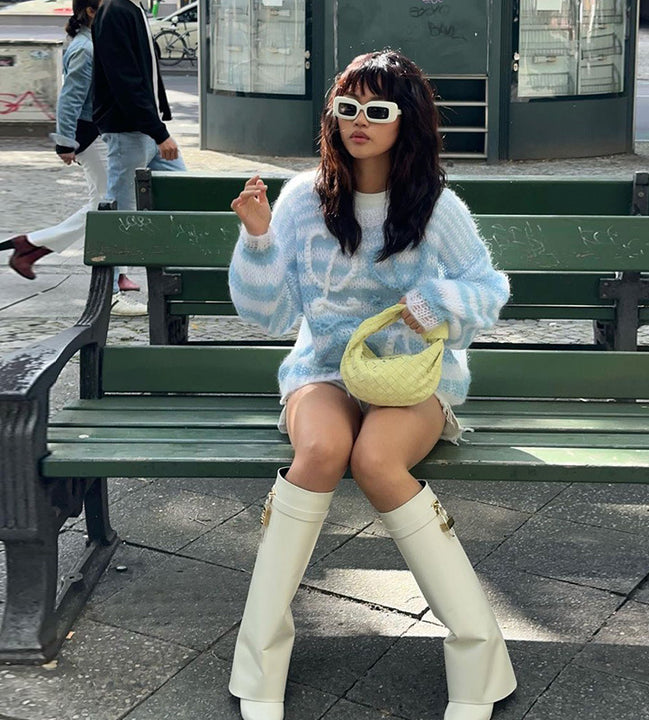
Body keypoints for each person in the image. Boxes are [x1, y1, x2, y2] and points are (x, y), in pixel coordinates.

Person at [227, 50, 517, 720]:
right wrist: (260, 239)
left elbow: (487, 290)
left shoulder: (438, 209)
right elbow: (270, 314)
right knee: (321, 454)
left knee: (377, 460)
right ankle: (258, 668)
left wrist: (438, 303)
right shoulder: (304, 200)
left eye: (377, 109)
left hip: (414, 378)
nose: (359, 121)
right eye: (347, 107)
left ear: (405, 120)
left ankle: (482, 661)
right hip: (324, 370)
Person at [0, 0, 143, 316]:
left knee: (103, 205)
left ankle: (30, 248)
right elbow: (70, 98)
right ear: (91, 12)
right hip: (90, 135)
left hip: (97, 132)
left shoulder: (93, 42)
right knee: (111, 206)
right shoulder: (85, 48)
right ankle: (116, 285)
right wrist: (65, 142)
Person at [91, 0, 186, 313]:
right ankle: (109, 293)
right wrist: (159, 132)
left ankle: (180, 278)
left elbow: (143, 75)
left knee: (180, 193)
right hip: (131, 129)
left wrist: (157, 125)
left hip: (145, 127)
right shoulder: (115, 11)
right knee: (119, 207)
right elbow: (125, 79)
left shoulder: (131, 9)